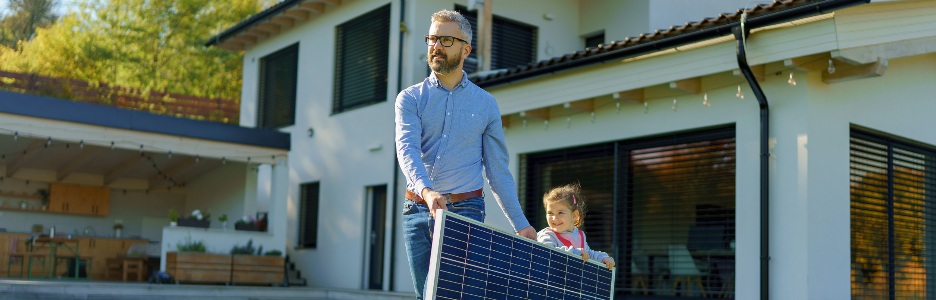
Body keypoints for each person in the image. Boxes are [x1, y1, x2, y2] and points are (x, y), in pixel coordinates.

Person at [394, 9, 537, 298]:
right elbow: (406, 148)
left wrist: (521, 225)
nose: (436, 46)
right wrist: (427, 191)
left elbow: (497, 170)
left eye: (446, 40)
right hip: (417, 210)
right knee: (427, 295)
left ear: (466, 49)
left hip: (466, 212)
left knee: (455, 294)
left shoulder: (486, 104)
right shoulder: (409, 98)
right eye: (432, 39)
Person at [537, 183, 616, 270]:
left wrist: (603, 258)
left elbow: (588, 253)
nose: (554, 218)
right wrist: (575, 253)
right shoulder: (547, 235)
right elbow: (547, 252)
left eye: (560, 213)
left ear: (574, 215)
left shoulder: (580, 235)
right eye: (550, 213)